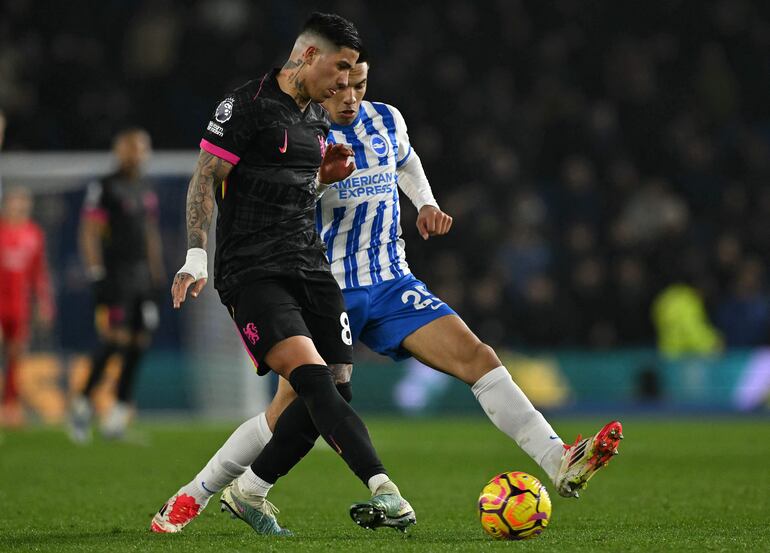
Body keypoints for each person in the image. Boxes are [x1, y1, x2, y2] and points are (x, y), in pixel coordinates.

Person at [151, 57, 624, 535]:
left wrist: (426, 203)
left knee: (476, 356)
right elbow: (271, 204)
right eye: (341, 88)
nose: (350, 96)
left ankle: (558, 458)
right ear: (321, 85)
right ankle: (203, 492)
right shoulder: (297, 134)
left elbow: (407, 160)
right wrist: (319, 182)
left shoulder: (386, 119)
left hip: (392, 280)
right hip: (324, 284)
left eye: (359, 85)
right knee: (294, 410)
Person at [150, 13, 414, 536]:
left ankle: (238, 493)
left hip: (311, 268)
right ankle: (384, 488)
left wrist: (323, 178)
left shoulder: (315, 119)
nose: (345, 86)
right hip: (253, 271)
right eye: (339, 70)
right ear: (309, 56)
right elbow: (204, 179)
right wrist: (196, 255)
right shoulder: (246, 107)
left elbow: (293, 194)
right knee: (312, 380)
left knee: (334, 394)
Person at [69, 128, 164, 441]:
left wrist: (158, 273)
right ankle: (82, 404)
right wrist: (96, 272)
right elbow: (89, 230)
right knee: (113, 340)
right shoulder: (105, 186)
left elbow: (150, 232)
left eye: (142, 148)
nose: (137, 154)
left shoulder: (145, 187)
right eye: (131, 148)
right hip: (115, 275)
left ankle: (118, 416)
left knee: (139, 342)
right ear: (120, 151)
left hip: (141, 278)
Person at [0, 187, 55, 426]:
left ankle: (10, 407)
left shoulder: (34, 234)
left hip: (19, 306)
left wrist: (44, 303)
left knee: (15, 355)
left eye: (23, 204)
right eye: (14, 203)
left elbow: (38, 274)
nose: (18, 208)